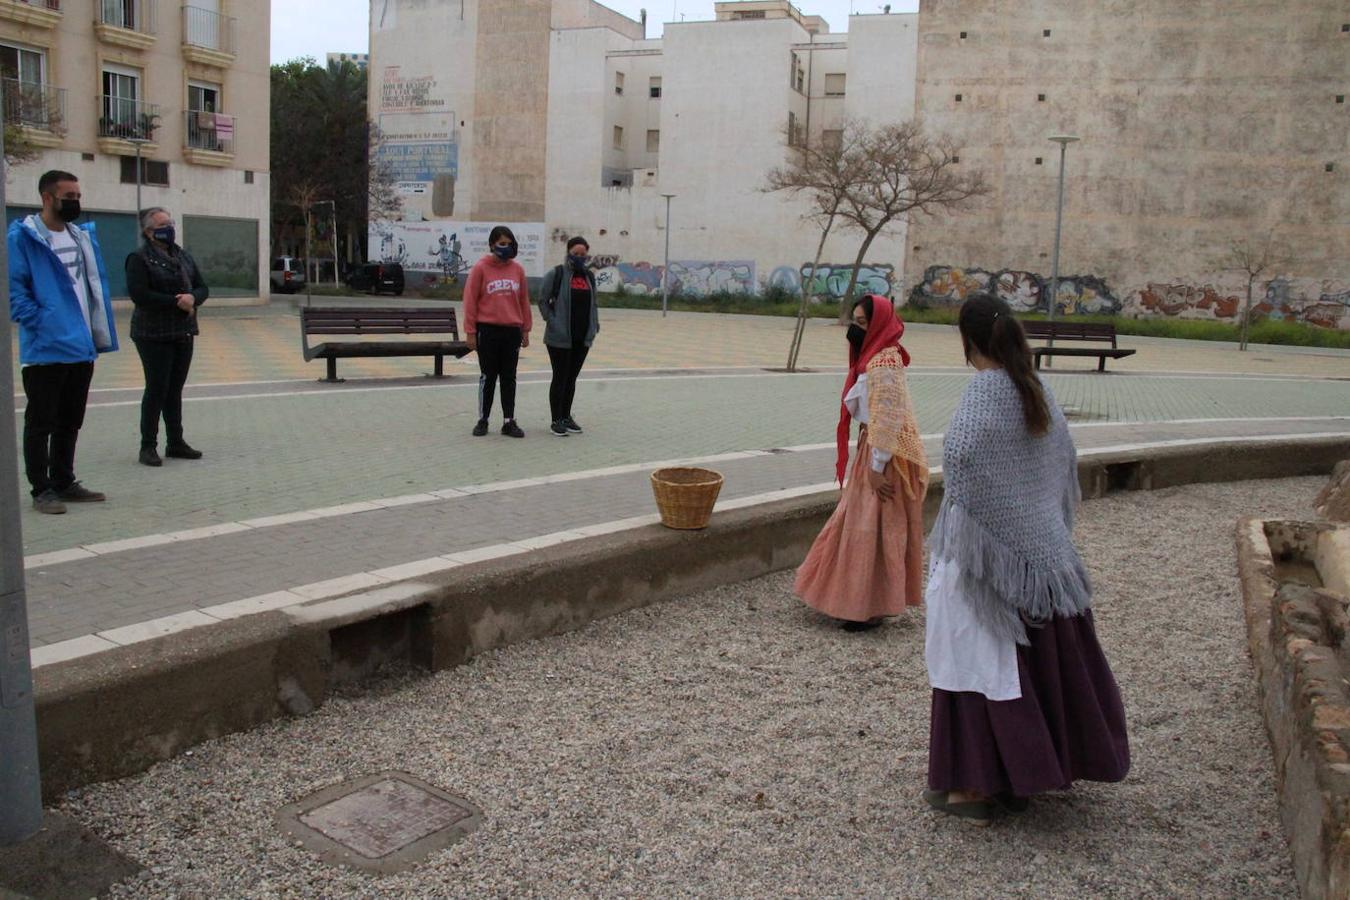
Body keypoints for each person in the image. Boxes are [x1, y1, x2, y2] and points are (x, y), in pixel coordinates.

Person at [924, 292, 1129, 824]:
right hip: (1046, 556)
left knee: (975, 660)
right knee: (1030, 665)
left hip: (987, 563)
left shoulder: (983, 391)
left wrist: (979, 531)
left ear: (967, 341)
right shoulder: (1036, 387)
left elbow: (961, 456)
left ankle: (976, 785)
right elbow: (1063, 458)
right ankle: (1023, 774)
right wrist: (1033, 521)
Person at [794, 294, 928, 630]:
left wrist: (876, 467)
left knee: (871, 526)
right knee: (864, 523)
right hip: (875, 448)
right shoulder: (876, 356)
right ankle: (861, 600)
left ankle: (867, 605)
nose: (856, 329)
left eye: (863, 323)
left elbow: (888, 416)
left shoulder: (884, 362)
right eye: (854, 321)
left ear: (879, 323)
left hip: (883, 456)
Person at [8, 170, 117, 515]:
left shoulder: (80, 236)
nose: (75, 202)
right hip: (45, 349)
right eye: (68, 196)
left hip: (81, 347)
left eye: (78, 195)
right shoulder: (22, 238)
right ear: (47, 197)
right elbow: (15, 292)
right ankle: (41, 489)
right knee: (41, 423)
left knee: (70, 420)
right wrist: (44, 323)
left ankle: (64, 480)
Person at [126, 207, 209, 467]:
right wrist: (177, 302)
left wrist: (194, 297)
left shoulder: (182, 256)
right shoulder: (139, 258)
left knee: (175, 389)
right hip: (153, 334)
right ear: (149, 232)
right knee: (157, 388)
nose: (169, 228)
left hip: (183, 331)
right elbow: (140, 295)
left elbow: (202, 285)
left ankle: (176, 441)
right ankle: (148, 446)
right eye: (162, 224)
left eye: (170, 223)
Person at [464, 225, 532, 438]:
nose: (506, 247)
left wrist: (525, 329)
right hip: (488, 330)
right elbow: (470, 300)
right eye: (502, 243)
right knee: (488, 376)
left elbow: (523, 300)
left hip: (511, 330)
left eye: (509, 243)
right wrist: (470, 332)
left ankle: (508, 421)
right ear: (492, 244)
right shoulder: (481, 268)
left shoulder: (517, 270)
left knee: (509, 377)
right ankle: (483, 419)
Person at [539, 236, 599, 437]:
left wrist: (594, 326)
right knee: (560, 377)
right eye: (576, 254)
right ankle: (556, 420)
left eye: (583, 254)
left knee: (571, 378)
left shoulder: (589, 277)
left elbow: (594, 304)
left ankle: (566, 416)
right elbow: (542, 300)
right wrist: (552, 321)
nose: (580, 257)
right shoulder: (556, 273)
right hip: (559, 338)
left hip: (581, 338)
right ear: (568, 253)